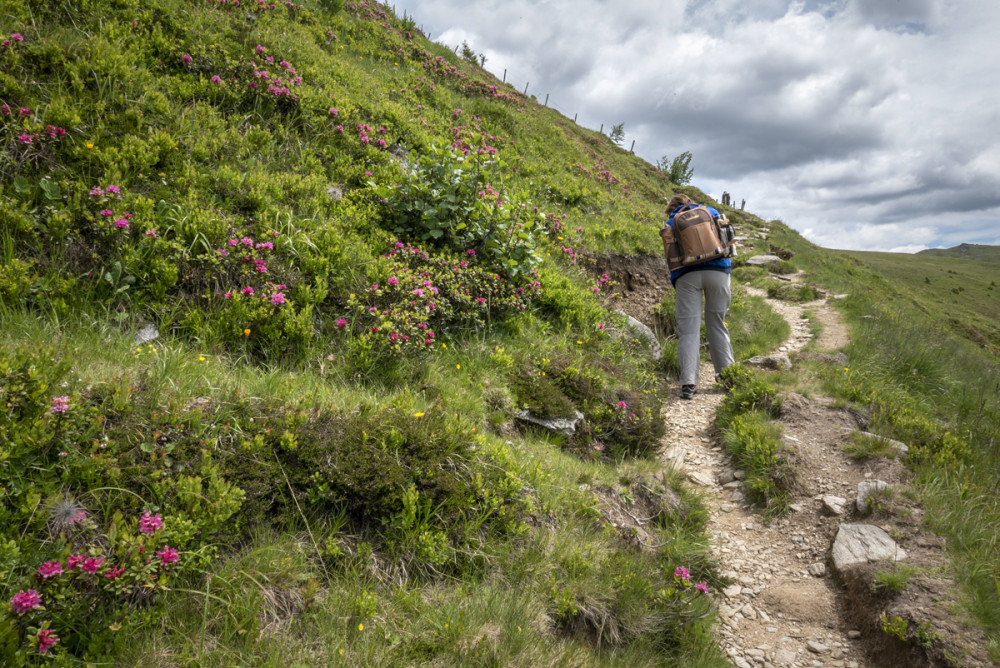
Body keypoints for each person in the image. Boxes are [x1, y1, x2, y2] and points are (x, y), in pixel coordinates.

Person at [663, 194, 735, 399]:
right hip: (718, 273)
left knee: (689, 331)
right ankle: (728, 377)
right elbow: (727, 238)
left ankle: (688, 383)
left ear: (672, 208)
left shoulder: (671, 222)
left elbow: (671, 255)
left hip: (687, 276)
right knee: (717, 323)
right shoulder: (710, 211)